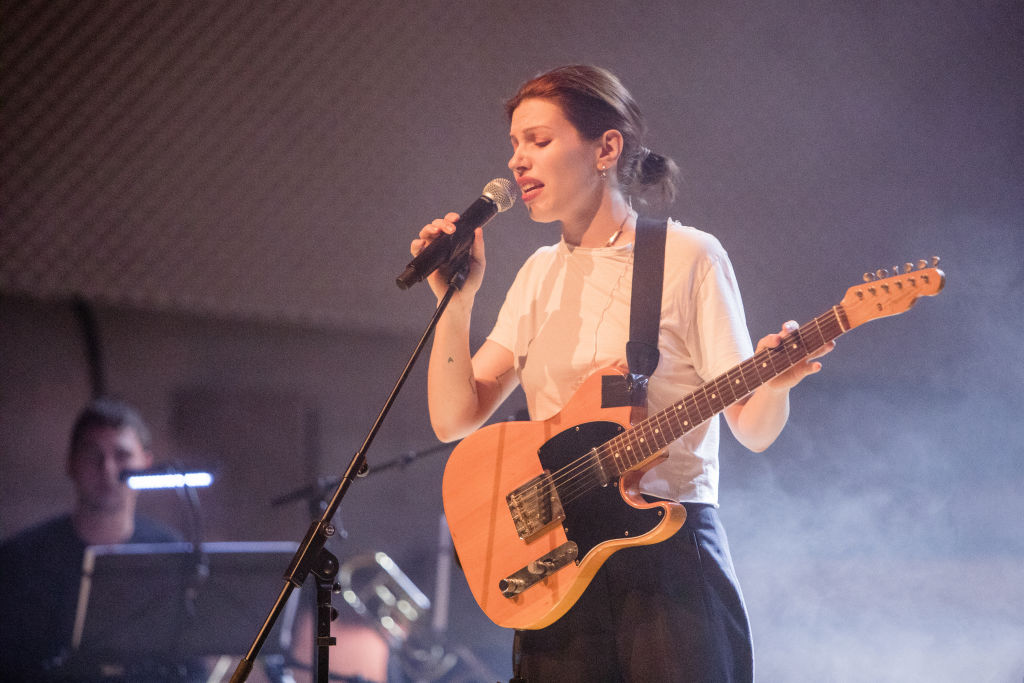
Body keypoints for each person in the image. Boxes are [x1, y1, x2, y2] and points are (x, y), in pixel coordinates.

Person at [411, 65, 834, 681]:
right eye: (514, 146)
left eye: (539, 140)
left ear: (606, 147)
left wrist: (771, 385)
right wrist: (455, 300)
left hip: (667, 561)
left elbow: (754, 429)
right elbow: (454, 419)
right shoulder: (537, 274)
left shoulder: (689, 256)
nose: (518, 162)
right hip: (558, 565)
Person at [0, 397, 182, 681]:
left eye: (122, 456)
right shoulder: (20, 561)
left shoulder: (173, 554)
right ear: (71, 464)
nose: (108, 470)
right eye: (92, 456)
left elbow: (189, 665)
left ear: (146, 463)